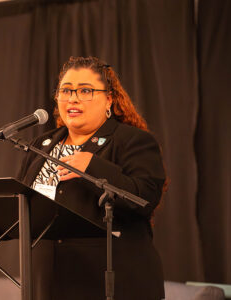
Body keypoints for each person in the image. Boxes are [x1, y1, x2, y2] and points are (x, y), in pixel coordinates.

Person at [17, 56, 166, 300]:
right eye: (66, 91)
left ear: (109, 99)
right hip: (46, 285)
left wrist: (93, 167)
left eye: (85, 90)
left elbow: (145, 198)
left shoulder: (133, 141)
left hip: (114, 285)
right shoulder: (41, 146)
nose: (73, 98)